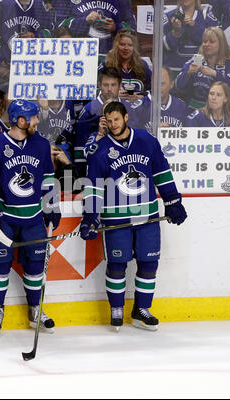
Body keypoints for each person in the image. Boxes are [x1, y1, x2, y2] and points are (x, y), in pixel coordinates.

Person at [79, 101, 187, 331]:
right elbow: (95, 187)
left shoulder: (146, 141)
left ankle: (141, 310)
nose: (113, 124)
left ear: (126, 118)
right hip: (116, 220)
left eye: (117, 119)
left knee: (149, 263)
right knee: (117, 265)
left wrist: (172, 200)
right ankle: (116, 309)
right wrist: (90, 215)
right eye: (109, 121)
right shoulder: (100, 151)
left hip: (147, 216)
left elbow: (162, 172)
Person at [0, 99, 61, 334]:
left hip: (33, 218)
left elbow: (47, 178)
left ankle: (35, 309)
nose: (36, 120)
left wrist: (52, 206)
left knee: (35, 267)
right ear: (20, 121)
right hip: (4, 218)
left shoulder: (41, 144)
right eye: (33, 117)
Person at [74, 67, 130, 176]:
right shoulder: (89, 110)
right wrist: (80, 175)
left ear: (120, 85)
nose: (109, 89)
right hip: (97, 166)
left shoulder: (128, 107)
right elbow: (80, 145)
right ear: (99, 85)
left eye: (113, 85)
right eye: (105, 85)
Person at [175, 26, 230, 110]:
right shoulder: (194, 61)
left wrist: (214, 73)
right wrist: (188, 73)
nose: (207, 44)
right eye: (205, 41)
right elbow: (177, 85)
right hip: (196, 111)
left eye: (211, 42)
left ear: (221, 43)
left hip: (222, 110)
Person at [54, 0, 136, 57]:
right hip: (80, 58)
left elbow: (132, 27)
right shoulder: (67, 2)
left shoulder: (121, 2)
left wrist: (116, 27)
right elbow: (60, 27)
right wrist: (84, 21)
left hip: (112, 58)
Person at [0, 0, 56, 64]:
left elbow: (50, 31)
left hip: (32, 62)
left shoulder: (40, 5)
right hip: (7, 63)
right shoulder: (2, 4)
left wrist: (36, 36)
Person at [163, 0, 219, 75]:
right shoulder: (168, 16)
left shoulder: (206, 16)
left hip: (199, 71)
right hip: (173, 70)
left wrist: (194, 26)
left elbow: (213, 44)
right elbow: (166, 47)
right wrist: (176, 31)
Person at [129, 66, 190, 131]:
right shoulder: (138, 108)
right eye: (156, 83)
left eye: (162, 84)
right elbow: (133, 135)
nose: (158, 87)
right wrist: (152, 131)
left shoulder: (181, 106)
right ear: (151, 83)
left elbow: (189, 134)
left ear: (171, 84)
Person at [98, 29, 152, 102]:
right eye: (122, 44)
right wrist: (112, 94)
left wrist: (141, 97)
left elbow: (154, 90)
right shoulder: (106, 64)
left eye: (130, 45)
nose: (126, 48)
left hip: (138, 109)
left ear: (134, 48)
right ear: (116, 46)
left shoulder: (142, 65)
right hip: (113, 108)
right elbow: (95, 90)